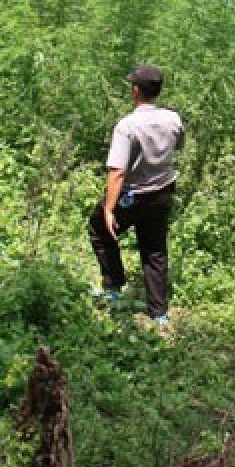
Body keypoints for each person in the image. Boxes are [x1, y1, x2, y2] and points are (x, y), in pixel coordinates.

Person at [87, 64, 185, 325]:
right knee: (154, 250)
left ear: (135, 91)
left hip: (134, 194)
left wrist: (109, 209)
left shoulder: (127, 126)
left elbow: (117, 172)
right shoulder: (173, 119)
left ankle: (113, 288)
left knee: (100, 229)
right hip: (162, 191)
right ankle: (159, 313)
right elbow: (179, 146)